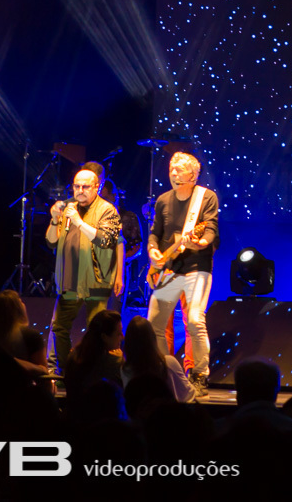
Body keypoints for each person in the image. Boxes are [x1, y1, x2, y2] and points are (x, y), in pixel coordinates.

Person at [146, 152, 219, 396]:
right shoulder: (163, 200)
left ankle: (199, 374)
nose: (173, 174)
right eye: (171, 169)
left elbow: (210, 229)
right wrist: (153, 250)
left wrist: (201, 242)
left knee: (195, 320)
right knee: (153, 323)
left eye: (179, 170)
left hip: (197, 267)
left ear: (193, 174)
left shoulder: (206, 197)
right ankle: (164, 371)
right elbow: (155, 232)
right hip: (169, 268)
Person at [46, 168, 121, 374]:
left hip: (96, 281)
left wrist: (79, 222)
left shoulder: (107, 210)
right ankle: (61, 371)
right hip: (70, 280)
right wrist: (54, 219)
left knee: (98, 331)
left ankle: (97, 373)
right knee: (59, 328)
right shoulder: (68, 207)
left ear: (97, 187)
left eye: (85, 186)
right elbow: (51, 242)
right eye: (76, 186)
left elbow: (106, 240)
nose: (80, 190)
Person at [121, 315, 196, 403]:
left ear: (128, 341)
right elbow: (188, 393)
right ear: (152, 338)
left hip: (139, 416)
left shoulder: (125, 370)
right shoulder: (169, 363)